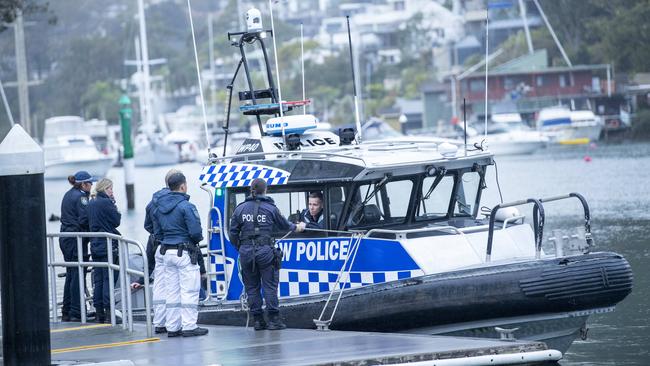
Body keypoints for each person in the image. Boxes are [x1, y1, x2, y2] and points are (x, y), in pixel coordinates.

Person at [229, 178, 306, 331]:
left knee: (252, 288)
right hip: (265, 251)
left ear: (251, 189)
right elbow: (286, 226)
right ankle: (274, 320)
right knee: (269, 286)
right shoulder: (271, 208)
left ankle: (257, 321)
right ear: (265, 190)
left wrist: (242, 247)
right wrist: (299, 226)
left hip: (246, 252)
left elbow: (233, 234)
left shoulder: (240, 209)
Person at [153, 171, 208, 337]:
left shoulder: (159, 207)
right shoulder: (186, 206)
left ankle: (172, 327)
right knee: (189, 290)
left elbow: (157, 232)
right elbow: (196, 233)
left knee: (172, 291)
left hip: (166, 251)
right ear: (183, 186)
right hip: (183, 252)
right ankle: (189, 326)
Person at [59, 170, 95, 321]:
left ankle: (67, 310)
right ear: (84, 184)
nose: (92, 185)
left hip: (66, 238)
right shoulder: (81, 197)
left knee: (72, 273)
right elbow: (84, 219)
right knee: (78, 274)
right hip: (75, 239)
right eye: (90, 183)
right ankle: (76, 312)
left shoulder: (68, 194)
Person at [87, 178, 121, 323]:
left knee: (99, 278)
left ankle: (99, 311)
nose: (112, 191)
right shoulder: (106, 202)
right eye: (110, 189)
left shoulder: (91, 203)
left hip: (94, 244)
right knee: (108, 277)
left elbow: (85, 220)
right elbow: (116, 221)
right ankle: (108, 311)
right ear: (105, 189)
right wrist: (113, 203)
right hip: (107, 244)